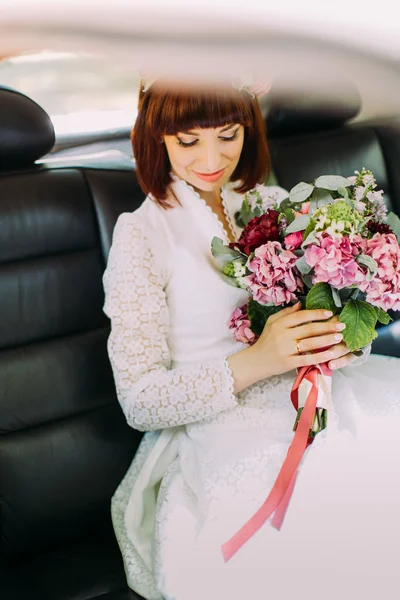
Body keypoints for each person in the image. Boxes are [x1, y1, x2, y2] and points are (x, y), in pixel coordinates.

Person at [103, 79, 400, 600]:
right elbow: (139, 401)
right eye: (187, 141)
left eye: (228, 134)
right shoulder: (141, 236)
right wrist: (259, 360)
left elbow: (326, 317)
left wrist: (340, 340)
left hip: (321, 395)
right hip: (221, 424)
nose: (212, 158)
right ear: (156, 136)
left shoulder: (273, 201)